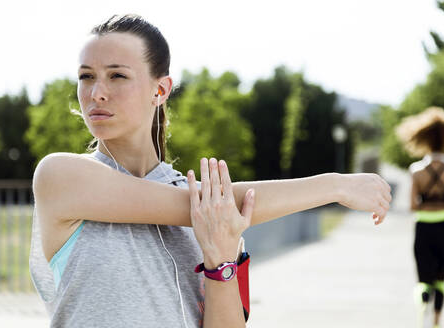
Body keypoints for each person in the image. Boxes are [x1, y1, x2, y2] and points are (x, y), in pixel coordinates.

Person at [29, 14, 392, 328]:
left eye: (117, 76)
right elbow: (208, 206)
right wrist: (333, 185)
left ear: (161, 89)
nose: (96, 93)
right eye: (86, 76)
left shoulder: (216, 214)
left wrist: (221, 263)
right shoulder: (61, 177)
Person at [396, 106, 444, 328]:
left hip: (424, 228)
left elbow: (411, 205)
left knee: (423, 281)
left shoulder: (416, 170)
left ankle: (423, 314)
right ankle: (436, 322)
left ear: (423, 138)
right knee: (441, 280)